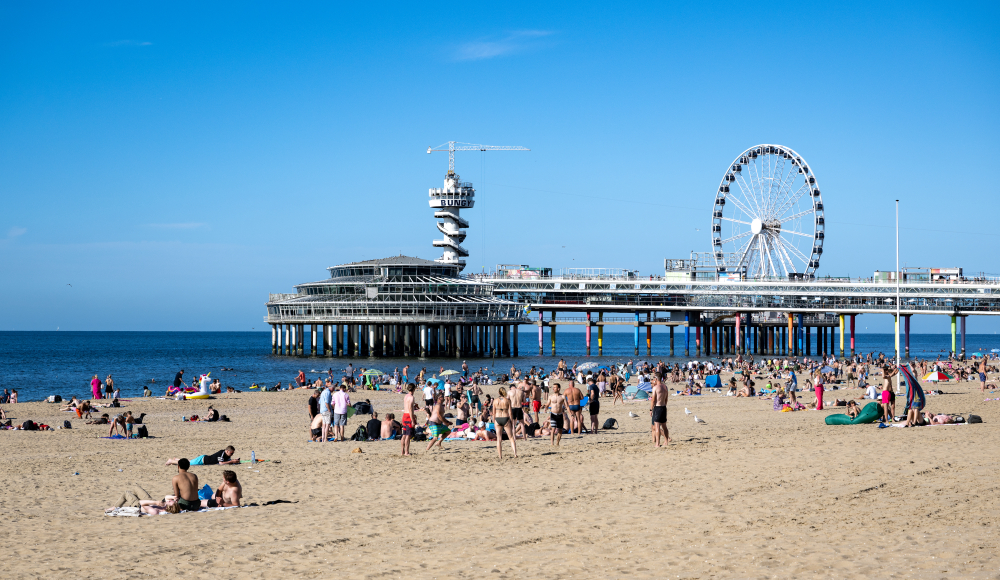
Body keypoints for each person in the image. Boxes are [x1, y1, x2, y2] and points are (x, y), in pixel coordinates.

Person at [493, 387, 517, 458]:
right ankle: (515, 453)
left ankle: (500, 456)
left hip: (498, 418)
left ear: (499, 393)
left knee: (499, 439)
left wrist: (494, 422)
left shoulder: (495, 401)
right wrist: (512, 421)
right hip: (505, 417)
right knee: (511, 437)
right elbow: (510, 412)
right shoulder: (507, 400)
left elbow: (493, 413)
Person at [650, 372, 670, 448]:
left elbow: (653, 400)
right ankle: (666, 441)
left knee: (657, 426)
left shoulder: (655, 388)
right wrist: (664, 405)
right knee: (664, 426)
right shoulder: (665, 387)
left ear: (655, 378)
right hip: (664, 407)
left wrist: (651, 409)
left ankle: (657, 444)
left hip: (657, 407)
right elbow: (666, 399)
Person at [166, 446, 239, 466]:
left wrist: (234, 460)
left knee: (190, 461)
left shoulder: (226, 455)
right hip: (202, 460)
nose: (232, 454)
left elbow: (227, 461)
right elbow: (221, 463)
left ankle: (177, 459)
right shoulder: (222, 453)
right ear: (227, 451)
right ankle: (171, 461)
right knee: (187, 463)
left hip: (204, 458)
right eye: (231, 453)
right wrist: (232, 461)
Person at [401, 383, 418, 456]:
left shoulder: (406, 396)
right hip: (408, 416)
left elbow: (408, 406)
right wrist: (412, 420)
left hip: (404, 415)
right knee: (408, 435)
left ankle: (402, 451)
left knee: (404, 434)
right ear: (414, 389)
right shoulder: (411, 397)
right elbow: (410, 409)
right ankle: (406, 452)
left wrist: (414, 406)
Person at [547, 382, 566, 447]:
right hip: (553, 414)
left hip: (560, 415)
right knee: (553, 429)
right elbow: (548, 403)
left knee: (560, 430)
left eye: (555, 387)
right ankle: (552, 443)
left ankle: (557, 443)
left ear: (558, 389)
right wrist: (546, 406)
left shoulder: (562, 397)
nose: (553, 388)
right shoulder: (550, 396)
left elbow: (567, 406)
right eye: (553, 387)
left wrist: (570, 413)